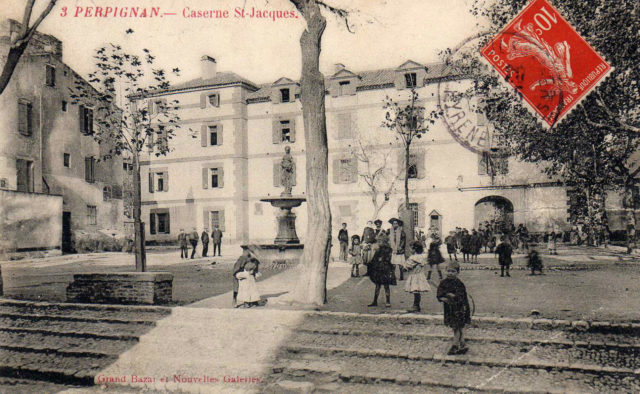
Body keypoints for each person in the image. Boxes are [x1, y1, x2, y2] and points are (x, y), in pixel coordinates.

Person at [437, 261, 471, 355]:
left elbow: (462, 297)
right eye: (448, 271)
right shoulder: (443, 283)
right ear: (445, 271)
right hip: (449, 309)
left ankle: (455, 345)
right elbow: (439, 294)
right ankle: (462, 344)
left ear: (457, 273)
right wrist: (443, 298)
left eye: (453, 271)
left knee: (458, 326)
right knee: (456, 327)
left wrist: (454, 296)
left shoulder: (459, 283)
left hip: (459, 309)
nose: (450, 273)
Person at [367, 233, 396, 307]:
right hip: (378, 269)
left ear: (384, 241)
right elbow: (374, 259)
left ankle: (388, 301)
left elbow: (388, 259)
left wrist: (382, 259)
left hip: (385, 269)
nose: (378, 243)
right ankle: (375, 301)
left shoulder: (388, 249)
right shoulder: (378, 250)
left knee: (386, 285)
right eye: (378, 241)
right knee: (377, 285)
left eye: (380, 241)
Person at [401, 241, 430, 312]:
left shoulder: (412, 258)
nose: (410, 250)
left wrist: (404, 267)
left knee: (415, 291)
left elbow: (406, 268)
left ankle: (416, 306)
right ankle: (417, 305)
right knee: (417, 291)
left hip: (414, 276)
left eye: (411, 248)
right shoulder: (422, 257)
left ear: (414, 249)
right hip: (420, 275)